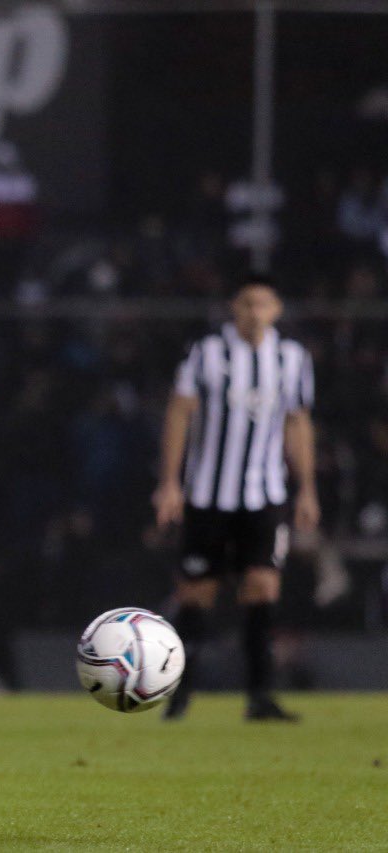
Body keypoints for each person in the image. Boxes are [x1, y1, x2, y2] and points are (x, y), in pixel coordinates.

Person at [152, 274, 319, 722]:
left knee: (262, 587)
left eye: (263, 304)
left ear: (277, 309)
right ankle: (181, 694)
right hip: (208, 494)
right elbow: (179, 412)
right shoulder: (206, 353)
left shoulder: (291, 357)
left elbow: (297, 423)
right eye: (246, 303)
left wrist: (307, 489)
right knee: (197, 594)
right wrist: (170, 482)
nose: (254, 312)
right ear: (233, 307)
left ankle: (259, 696)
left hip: (264, 495)